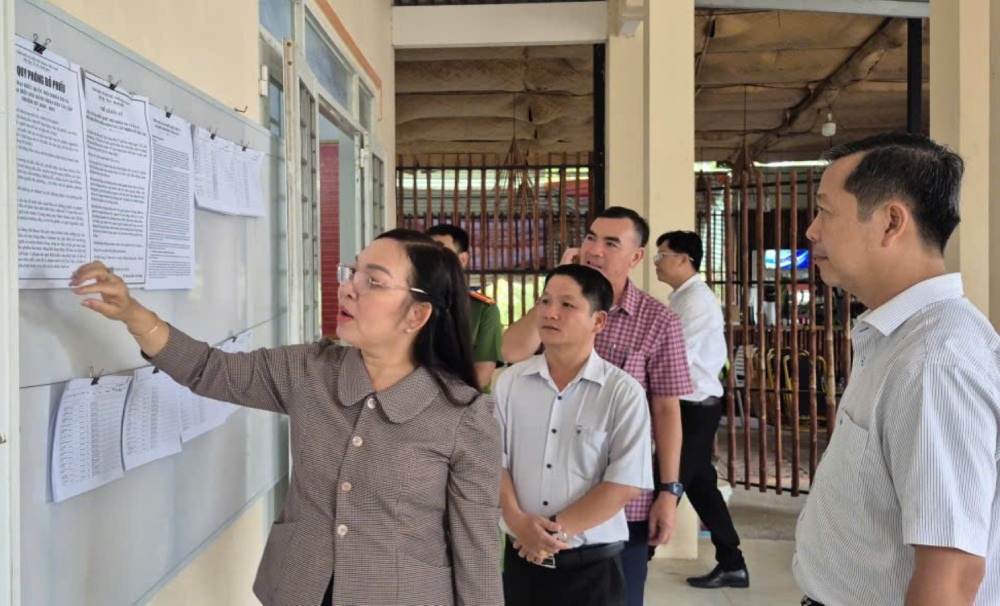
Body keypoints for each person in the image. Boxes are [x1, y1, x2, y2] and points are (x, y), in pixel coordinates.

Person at [70, 229, 503, 606]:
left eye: (374, 282)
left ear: (416, 314)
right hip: (298, 590)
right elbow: (210, 370)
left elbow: (476, 551)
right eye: (353, 273)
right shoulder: (311, 370)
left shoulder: (463, 416)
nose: (349, 289)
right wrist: (133, 314)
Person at [794, 133, 1000, 605]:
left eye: (825, 210)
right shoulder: (896, 338)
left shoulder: (935, 363)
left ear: (890, 222)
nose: (811, 231)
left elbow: (951, 574)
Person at [502, 207, 692, 606]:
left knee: (621, 592)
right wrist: (560, 288)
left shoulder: (658, 321)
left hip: (621, 498)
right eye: (590, 238)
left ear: (636, 257)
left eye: (610, 243)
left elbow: (666, 409)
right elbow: (513, 350)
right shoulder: (524, 367)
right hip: (531, 519)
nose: (594, 250)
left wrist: (669, 492)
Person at [495, 264, 652, 606]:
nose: (550, 312)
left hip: (592, 568)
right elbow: (493, 463)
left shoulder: (622, 392)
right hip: (521, 561)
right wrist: (519, 524)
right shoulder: (510, 383)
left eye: (567, 305)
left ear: (598, 321)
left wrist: (548, 534)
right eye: (544, 301)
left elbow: (625, 481)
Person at [654, 230, 748, 589]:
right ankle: (732, 562)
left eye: (662, 254)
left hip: (694, 406)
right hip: (688, 403)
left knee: (666, 481)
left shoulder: (696, 301)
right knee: (702, 486)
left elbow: (675, 357)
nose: (658, 262)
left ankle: (637, 558)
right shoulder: (682, 297)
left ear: (683, 258)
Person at [427, 223, 504, 391]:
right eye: (427, 254)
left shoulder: (483, 310)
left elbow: (482, 376)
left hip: (466, 406)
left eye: (441, 253)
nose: (432, 261)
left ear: (462, 259)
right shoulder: (413, 304)